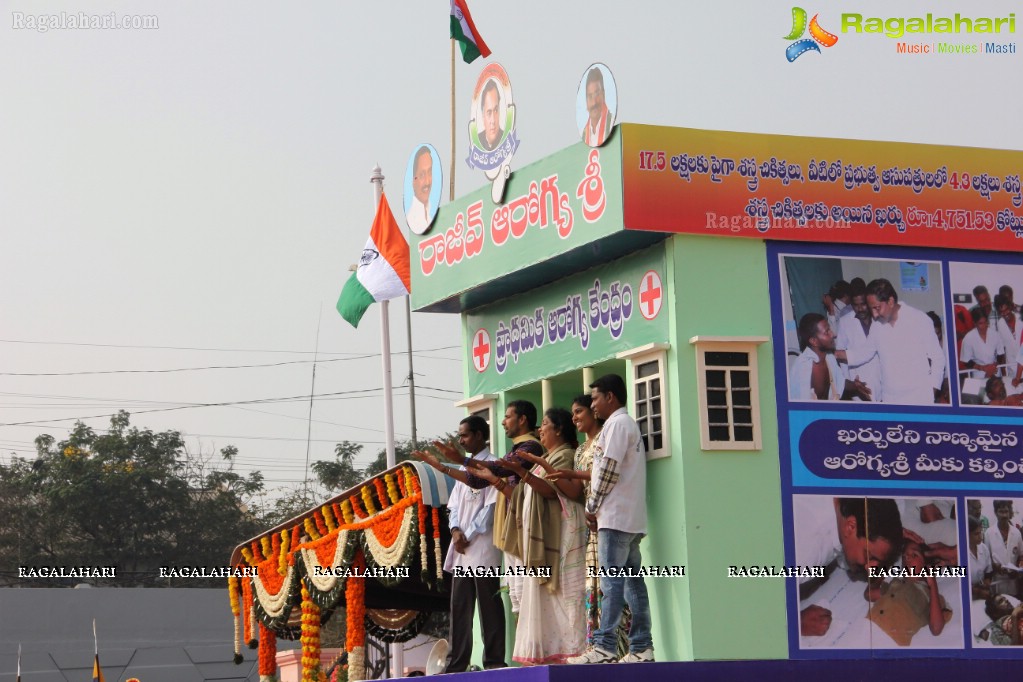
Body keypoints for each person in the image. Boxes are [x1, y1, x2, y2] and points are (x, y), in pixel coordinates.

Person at [470, 408, 587, 665]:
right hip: (544, 540)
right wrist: (497, 479)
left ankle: (573, 656)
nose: (540, 429)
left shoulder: (565, 456)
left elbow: (550, 492)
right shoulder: (546, 458)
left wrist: (523, 472)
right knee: (535, 601)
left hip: (562, 538)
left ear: (558, 429)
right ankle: (553, 658)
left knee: (567, 601)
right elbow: (522, 496)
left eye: (545, 424)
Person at [517, 395, 631, 655]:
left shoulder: (606, 439)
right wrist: (542, 470)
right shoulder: (580, 451)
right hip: (591, 524)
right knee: (592, 586)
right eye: (574, 413)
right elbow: (574, 489)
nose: (575, 417)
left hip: (607, 518)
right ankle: (597, 647)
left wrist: (548, 469)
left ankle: (620, 648)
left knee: (611, 585)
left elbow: (608, 475)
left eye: (580, 411)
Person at [569, 374, 654, 664]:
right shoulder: (624, 424)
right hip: (629, 517)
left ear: (611, 398)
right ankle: (642, 647)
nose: (592, 405)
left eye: (595, 398)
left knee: (612, 584)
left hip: (615, 518)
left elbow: (607, 471)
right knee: (632, 583)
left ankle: (604, 647)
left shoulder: (617, 424)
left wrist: (591, 505)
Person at [412, 416, 506, 672]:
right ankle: (456, 664)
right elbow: (453, 506)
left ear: (478, 435)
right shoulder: (464, 471)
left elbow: (491, 509)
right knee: (460, 608)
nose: (461, 440)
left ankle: (495, 662)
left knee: (489, 608)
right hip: (462, 549)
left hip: (483, 548)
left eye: (464, 435)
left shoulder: (494, 465)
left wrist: (469, 534)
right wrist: (455, 531)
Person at [796, 497, 904, 637]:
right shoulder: (803, 550)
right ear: (850, 527)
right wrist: (796, 623)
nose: (871, 568)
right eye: (869, 557)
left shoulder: (847, 507)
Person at [836, 278, 945, 404]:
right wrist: (835, 354)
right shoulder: (877, 326)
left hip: (919, 397)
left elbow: (938, 358)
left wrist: (932, 392)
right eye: (871, 309)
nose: (874, 315)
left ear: (891, 301)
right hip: (890, 398)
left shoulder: (919, 319)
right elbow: (864, 353)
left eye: (877, 308)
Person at [867, 540, 952, 645]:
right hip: (868, 626)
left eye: (914, 554)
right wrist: (883, 569)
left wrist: (933, 585)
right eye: (904, 556)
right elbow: (869, 594)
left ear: (927, 565)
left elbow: (936, 628)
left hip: (891, 640)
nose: (907, 558)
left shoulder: (932, 597)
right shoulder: (895, 583)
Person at [790, 313, 871, 401]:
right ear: (814, 341)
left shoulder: (828, 357)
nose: (832, 334)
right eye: (827, 332)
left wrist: (855, 385)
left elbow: (839, 381)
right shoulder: (803, 369)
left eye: (830, 329)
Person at [836, 286, 882, 399]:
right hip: (859, 378)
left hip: (881, 376)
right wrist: (847, 382)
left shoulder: (879, 319)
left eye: (863, 304)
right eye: (856, 305)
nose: (860, 308)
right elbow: (841, 355)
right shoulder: (845, 321)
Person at [959, 307, 1005, 379]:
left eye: (985, 322)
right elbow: (966, 360)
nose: (984, 326)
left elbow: (1001, 353)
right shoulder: (969, 338)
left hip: (994, 370)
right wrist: (983, 368)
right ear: (975, 323)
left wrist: (993, 366)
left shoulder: (995, 334)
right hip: (979, 374)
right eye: (980, 323)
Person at [581, 67, 612, 146]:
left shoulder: (611, 124)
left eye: (597, 94)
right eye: (590, 96)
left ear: (603, 95)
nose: (594, 102)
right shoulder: (584, 135)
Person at [406, 146, 434, 234]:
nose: (427, 181)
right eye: (422, 175)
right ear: (414, 181)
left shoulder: (429, 216)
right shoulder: (413, 218)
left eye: (429, 172)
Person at [994, 294, 1022, 372]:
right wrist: (1001, 367)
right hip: (1012, 367)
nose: (1005, 313)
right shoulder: (1000, 324)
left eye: (1006, 309)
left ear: (1010, 307)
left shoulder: (1021, 319)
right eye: (1001, 312)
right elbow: (1002, 348)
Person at [970, 516, 995, 601]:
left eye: (980, 532)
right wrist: (976, 591)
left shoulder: (983, 548)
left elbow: (988, 571)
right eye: (976, 534)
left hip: (982, 593)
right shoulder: (959, 553)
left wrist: (987, 581)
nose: (980, 537)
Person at [479, 79, 504, 151]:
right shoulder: (479, 141)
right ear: (483, 116)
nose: (493, 120)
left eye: (496, 110)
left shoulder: (505, 138)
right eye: (489, 113)